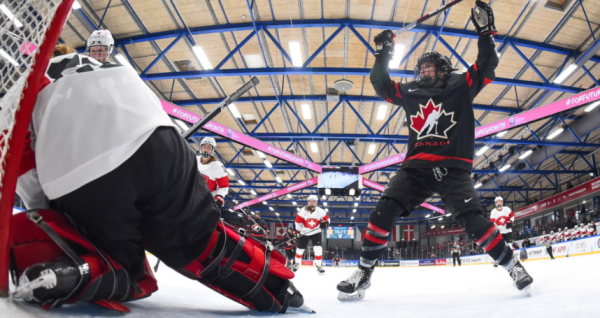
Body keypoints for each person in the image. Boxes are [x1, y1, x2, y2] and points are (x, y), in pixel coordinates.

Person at [10, 50, 306, 313]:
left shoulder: (14, 98)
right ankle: (278, 287)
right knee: (199, 241)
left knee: (121, 266)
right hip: (160, 140)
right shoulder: (88, 62)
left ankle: (75, 272)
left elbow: (26, 176)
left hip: (87, 171)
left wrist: (62, 224)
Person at [337, 1, 533, 301]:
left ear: (443, 70)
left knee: (472, 219)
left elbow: (487, 64)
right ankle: (364, 273)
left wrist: (485, 33)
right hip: (415, 169)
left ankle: (513, 266)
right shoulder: (411, 91)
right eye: (421, 67)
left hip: (453, 169)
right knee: (383, 211)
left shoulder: (461, 85)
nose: (423, 70)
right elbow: (380, 83)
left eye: (429, 66)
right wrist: (384, 52)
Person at [294, 195, 330, 274]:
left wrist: (326, 224)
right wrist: (297, 231)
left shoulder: (320, 211)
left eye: (314, 201)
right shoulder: (302, 211)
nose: (312, 203)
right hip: (304, 232)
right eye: (311, 201)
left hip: (316, 232)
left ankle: (318, 266)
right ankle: (296, 264)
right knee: (300, 249)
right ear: (308, 202)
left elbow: (328, 219)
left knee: (318, 249)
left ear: (316, 203)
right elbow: (297, 223)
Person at [196, 137, 229, 209]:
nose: (206, 149)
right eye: (204, 146)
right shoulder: (194, 160)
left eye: (209, 147)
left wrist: (219, 196)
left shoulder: (218, 166)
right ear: (201, 147)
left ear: (213, 150)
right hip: (191, 195)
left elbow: (224, 187)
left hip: (206, 199)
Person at [490, 196, 514, 268]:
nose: (499, 203)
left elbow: (512, 217)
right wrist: (494, 230)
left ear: (502, 202)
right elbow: (492, 222)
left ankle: (512, 259)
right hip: (499, 232)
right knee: (498, 247)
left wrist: (510, 222)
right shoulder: (493, 212)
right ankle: (496, 260)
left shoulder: (507, 209)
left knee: (509, 245)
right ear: (495, 203)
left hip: (508, 231)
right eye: (497, 202)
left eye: (500, 201)